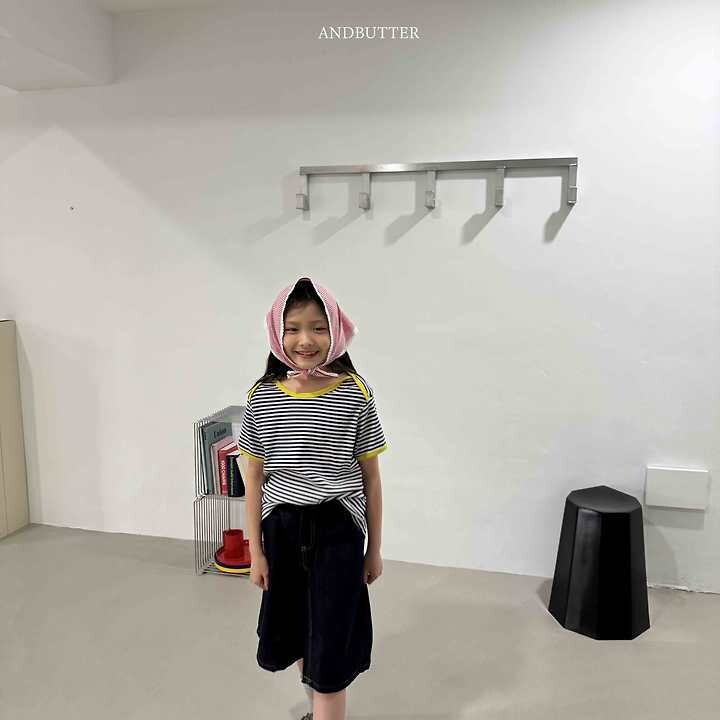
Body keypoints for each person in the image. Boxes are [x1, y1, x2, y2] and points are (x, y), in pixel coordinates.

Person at [235, 276, 388, 720]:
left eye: (319, 327)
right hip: (282, 533)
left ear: (336, 331)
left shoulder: (355, 393)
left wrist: (374, 550)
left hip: (337, 534)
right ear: (276, 333)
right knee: (300, 631)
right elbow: (254, 481)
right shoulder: (261, 396)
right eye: (294, 328)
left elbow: (371, 480)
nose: (306, 340)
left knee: (332, 646)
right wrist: (256, 552)